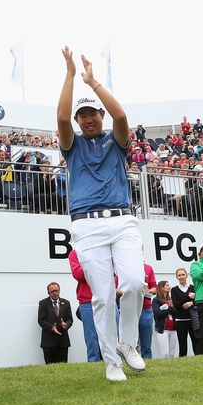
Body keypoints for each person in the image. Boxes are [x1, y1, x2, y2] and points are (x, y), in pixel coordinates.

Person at [57, 46, 145, 381]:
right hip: (87, 226)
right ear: (79, 121)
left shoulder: (115, 139)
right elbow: (62, 118)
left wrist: (93, 83)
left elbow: (121, 117)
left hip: (122, 220)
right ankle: (111, 360)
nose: (90, 117)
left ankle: (128, 344)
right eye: (85, 115)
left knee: (135, 283)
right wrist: (69, 75)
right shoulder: (72, 144)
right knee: (104, 296)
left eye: (94, 112)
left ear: (100, 115)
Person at [69, 250, 100, 362]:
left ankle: (116, 362)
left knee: (113, 334)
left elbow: (113, 272)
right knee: (91, 336)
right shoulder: (75, 253)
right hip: (87, 301)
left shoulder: (103, 249)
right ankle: (94, 363)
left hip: (106, 299)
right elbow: (78, 275)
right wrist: (91, 263)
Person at [37, 282, 73, 364]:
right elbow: (41, 320)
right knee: (50, 367)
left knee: (63, 367)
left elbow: (70, 319)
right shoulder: (43, 303)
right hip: (49, 342)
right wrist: (51, 328)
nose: (55, 293)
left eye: (56, 291)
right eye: (52, 291)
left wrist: (66, 325)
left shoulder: (66, 303)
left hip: (63, 341)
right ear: (48, 292)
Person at [170, 268, 199, 357]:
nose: (181, 277)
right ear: (176, 277)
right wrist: (188, 297)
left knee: (196, 343)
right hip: (180, 320)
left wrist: (192, 302)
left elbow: (199, 301)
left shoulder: (193, 287)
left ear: (186, 275)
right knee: (182, 345)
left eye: (183, 274)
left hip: (193, 320)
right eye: (179, 275)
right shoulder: (174, 290)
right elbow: (176, 305)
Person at [151, 281, 176, 358]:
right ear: (162, 288)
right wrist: (169, 308)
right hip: (163, 330)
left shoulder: (171, 299)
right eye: (167, 285)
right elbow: (157, 314)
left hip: (173, 329)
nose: (169, 287)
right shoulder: (156, 300)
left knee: (172, 353)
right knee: (165, 353)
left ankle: (172, 368)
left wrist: (173, 309)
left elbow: (175, 314)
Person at [138, 261, 158, 359]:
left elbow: (155, 288)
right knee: (129, 341)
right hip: (130, 310)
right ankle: (127, 362)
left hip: (146, 308)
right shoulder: (124, 266)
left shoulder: (148, 268)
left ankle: (147, 361)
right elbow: (116, 288)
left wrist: (147, 291)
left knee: (146, 340)